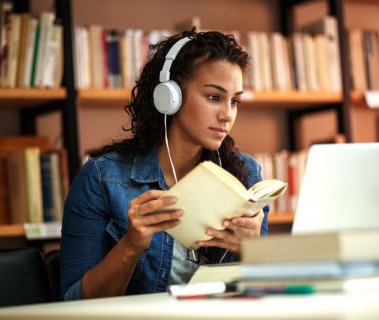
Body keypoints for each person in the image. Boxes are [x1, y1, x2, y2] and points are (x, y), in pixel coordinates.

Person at [60, 30, 269, 300]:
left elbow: (261, 296)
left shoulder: (246, 175)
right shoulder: (102, 178)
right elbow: (74, 302)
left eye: (235, 101)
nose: (227, 114)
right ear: (170, 97)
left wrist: (253, 251)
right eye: (214, 97)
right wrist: (131, 245)